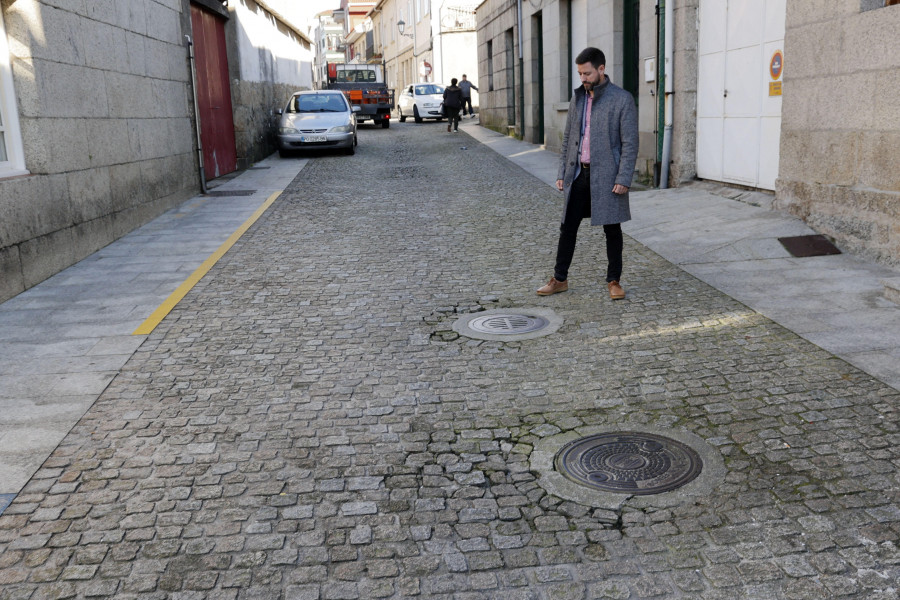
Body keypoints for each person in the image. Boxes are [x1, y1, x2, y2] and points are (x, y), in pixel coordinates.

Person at [537, 47, 638, 300]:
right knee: (567, 228)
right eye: (580, 73)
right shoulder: (578, 98)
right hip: (579, 175)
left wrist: (623, 178)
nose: (582, 78)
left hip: (608, 177)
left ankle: (614, 280)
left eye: (587, 73)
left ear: (601, 69)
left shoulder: (622, 99)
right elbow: (570, 137)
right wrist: (562, 172)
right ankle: (560, 279)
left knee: (612, 229)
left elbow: (630, 143)